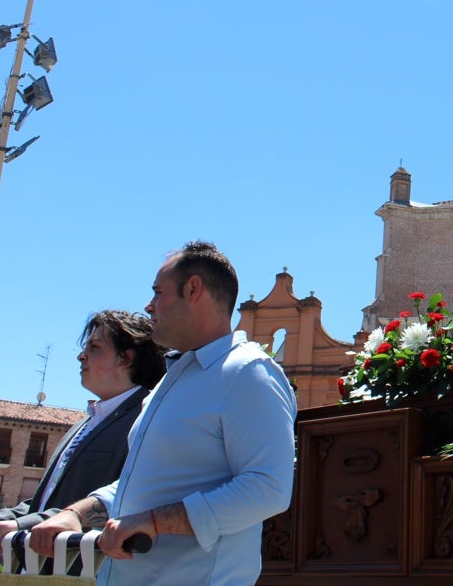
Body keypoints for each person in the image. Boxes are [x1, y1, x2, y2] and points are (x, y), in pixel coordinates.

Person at [28, 241, 298, 586]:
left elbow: (268, 488)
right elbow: (139, 488)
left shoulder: (248, 372)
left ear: (193, 289)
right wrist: (75, 514)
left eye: (158, 293)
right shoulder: (172, 381)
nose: (149, 305)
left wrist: (154, 522)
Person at [0, 310, 165, 558]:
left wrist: (22, 526)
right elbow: (43, 504)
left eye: (94, 347)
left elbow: (122, 500)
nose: (81, 356)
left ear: (125, 359)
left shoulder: (147, 419)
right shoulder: (82, 425)